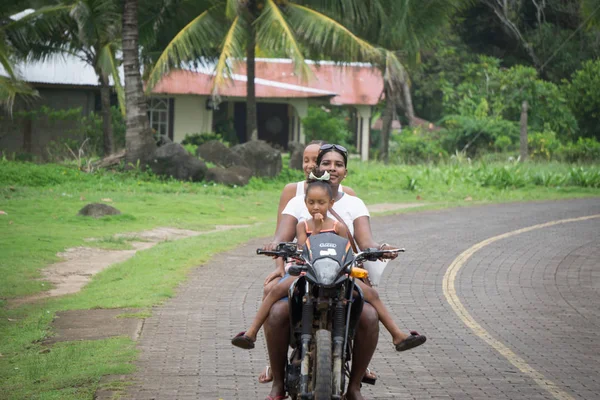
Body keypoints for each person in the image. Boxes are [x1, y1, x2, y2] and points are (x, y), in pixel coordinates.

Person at [262, 144, 426, 400]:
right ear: (318, 167)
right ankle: (278, 383)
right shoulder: (298, 202)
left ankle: (355, 386)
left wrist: (381, 249)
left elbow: (366, 242)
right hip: (305, 272)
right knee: (277, 311)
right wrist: (275, 245)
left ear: (345, 171)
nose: (332, 169)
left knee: (370, 316)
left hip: (344, 274)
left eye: (338, 164)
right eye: (326, 163)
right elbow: (282, 235)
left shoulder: (354, 203)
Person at [258, 140, 357, 384]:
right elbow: (282, 236)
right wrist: (279, 265)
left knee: (366, 306)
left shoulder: (350, 199)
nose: (312, 165)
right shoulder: (295, 197)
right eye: (309, 161)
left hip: (337, 269)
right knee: (275, 299)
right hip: (304, 267)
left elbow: (355, 243)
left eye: (336, 164)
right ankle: (274, 367)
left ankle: (358, 371)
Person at [231, 170, 348, 349]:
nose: (316, 207)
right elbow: (304, 248)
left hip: (334, 273)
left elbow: (345, 250)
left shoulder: (338, 227)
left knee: (367, 294)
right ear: (305, 203)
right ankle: (251, 332)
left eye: (321, 202)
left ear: (330, 203)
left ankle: (396, 333)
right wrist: (315, 229)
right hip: (305, 271)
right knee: (276, 290)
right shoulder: (303, 226)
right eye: (311, 202)